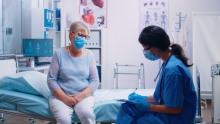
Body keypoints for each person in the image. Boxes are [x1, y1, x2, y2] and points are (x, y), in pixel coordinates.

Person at [115, 26, 196, 124]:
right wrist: (142, 98)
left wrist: (148, 107)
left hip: (177, 119)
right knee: (126, 108)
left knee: (139, 120)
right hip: (171, 114)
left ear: (156, 46)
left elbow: (175, 109)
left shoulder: (173, 69)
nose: (145, 52)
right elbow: (159, 97)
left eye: (145, 48)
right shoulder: (168, 63)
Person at [47, 21, 99, 124]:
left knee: (87, 115)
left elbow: (95, 81)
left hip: (83, 96)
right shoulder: (59, 53)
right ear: (71, 34)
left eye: (86, 37)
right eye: (80, 35)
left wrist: (81, 95)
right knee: (64, 120)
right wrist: (64, 98)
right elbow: (51, 80)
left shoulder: (89, 55)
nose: (83, 39)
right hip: (61, 96)